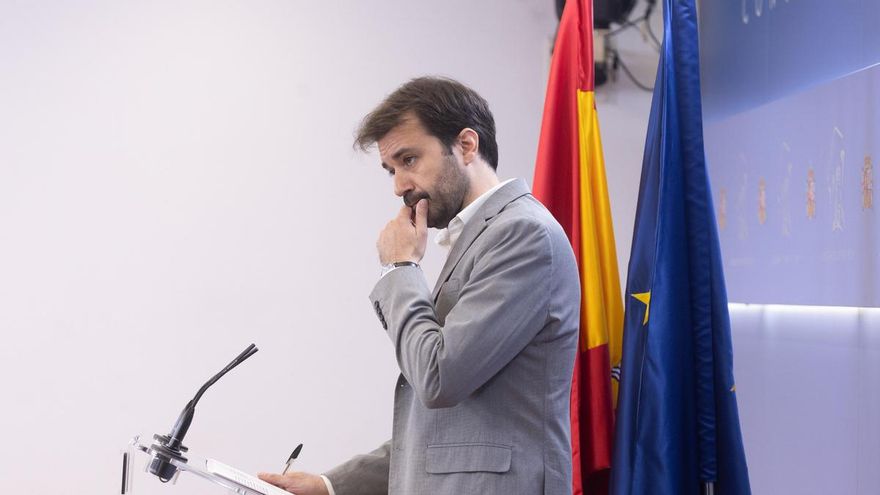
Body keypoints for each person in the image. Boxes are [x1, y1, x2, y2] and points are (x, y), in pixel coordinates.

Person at [259, 77, 580, 495]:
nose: (399, 186)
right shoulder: (482, 237)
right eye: (391, 170)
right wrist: (328, 485)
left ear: (466, 145)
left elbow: (438, 377)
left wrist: (399, 267)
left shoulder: (523, 234)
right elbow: (445, 437)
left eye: (409, 160)